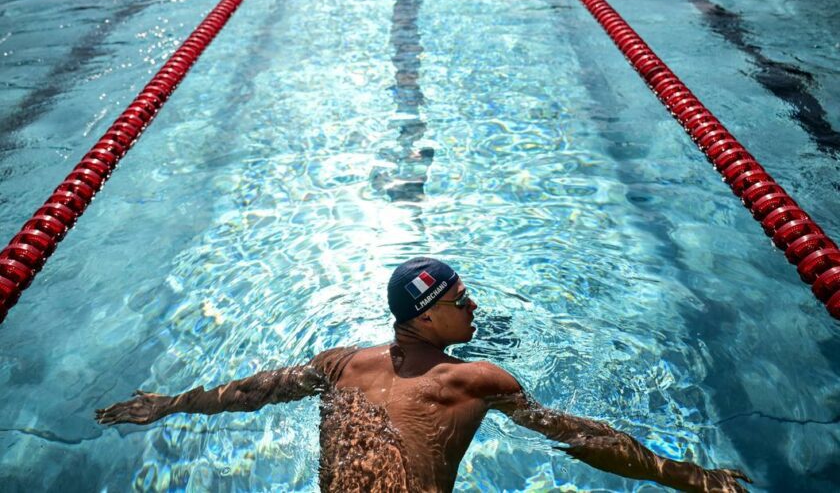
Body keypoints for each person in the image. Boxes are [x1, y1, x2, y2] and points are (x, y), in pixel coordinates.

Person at [96, 257, 752, 492]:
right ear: (427, 317)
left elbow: (251, 392)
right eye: (461, 301)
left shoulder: (340, 364)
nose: (475, 308)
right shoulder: (477, 380)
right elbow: (579, 436)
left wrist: (172, 403)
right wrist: (688, 476)